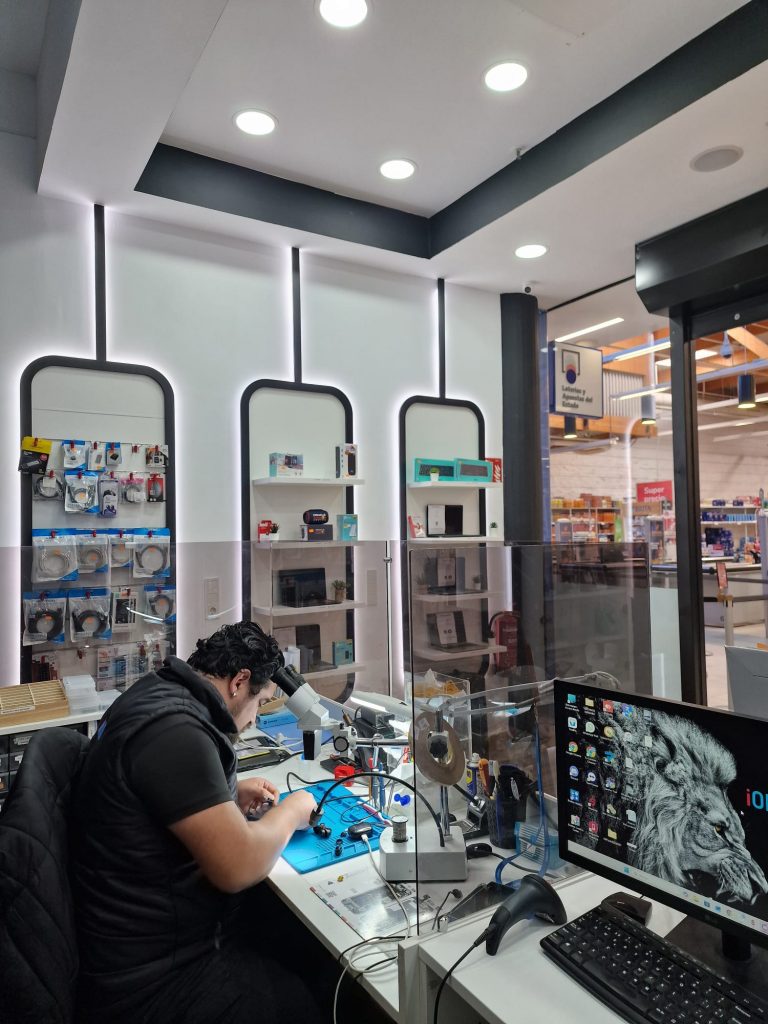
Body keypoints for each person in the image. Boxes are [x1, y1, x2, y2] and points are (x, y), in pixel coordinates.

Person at [71, 621, 322, 1023]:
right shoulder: (177, 731)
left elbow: (149, 797)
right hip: (152, 977)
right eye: (259, 702)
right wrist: (292, 810)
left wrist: (223, 797)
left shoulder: (157, 693)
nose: (254, 719)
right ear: (239, 681)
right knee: (305, 997)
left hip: (127, 938)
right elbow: (238, 866)